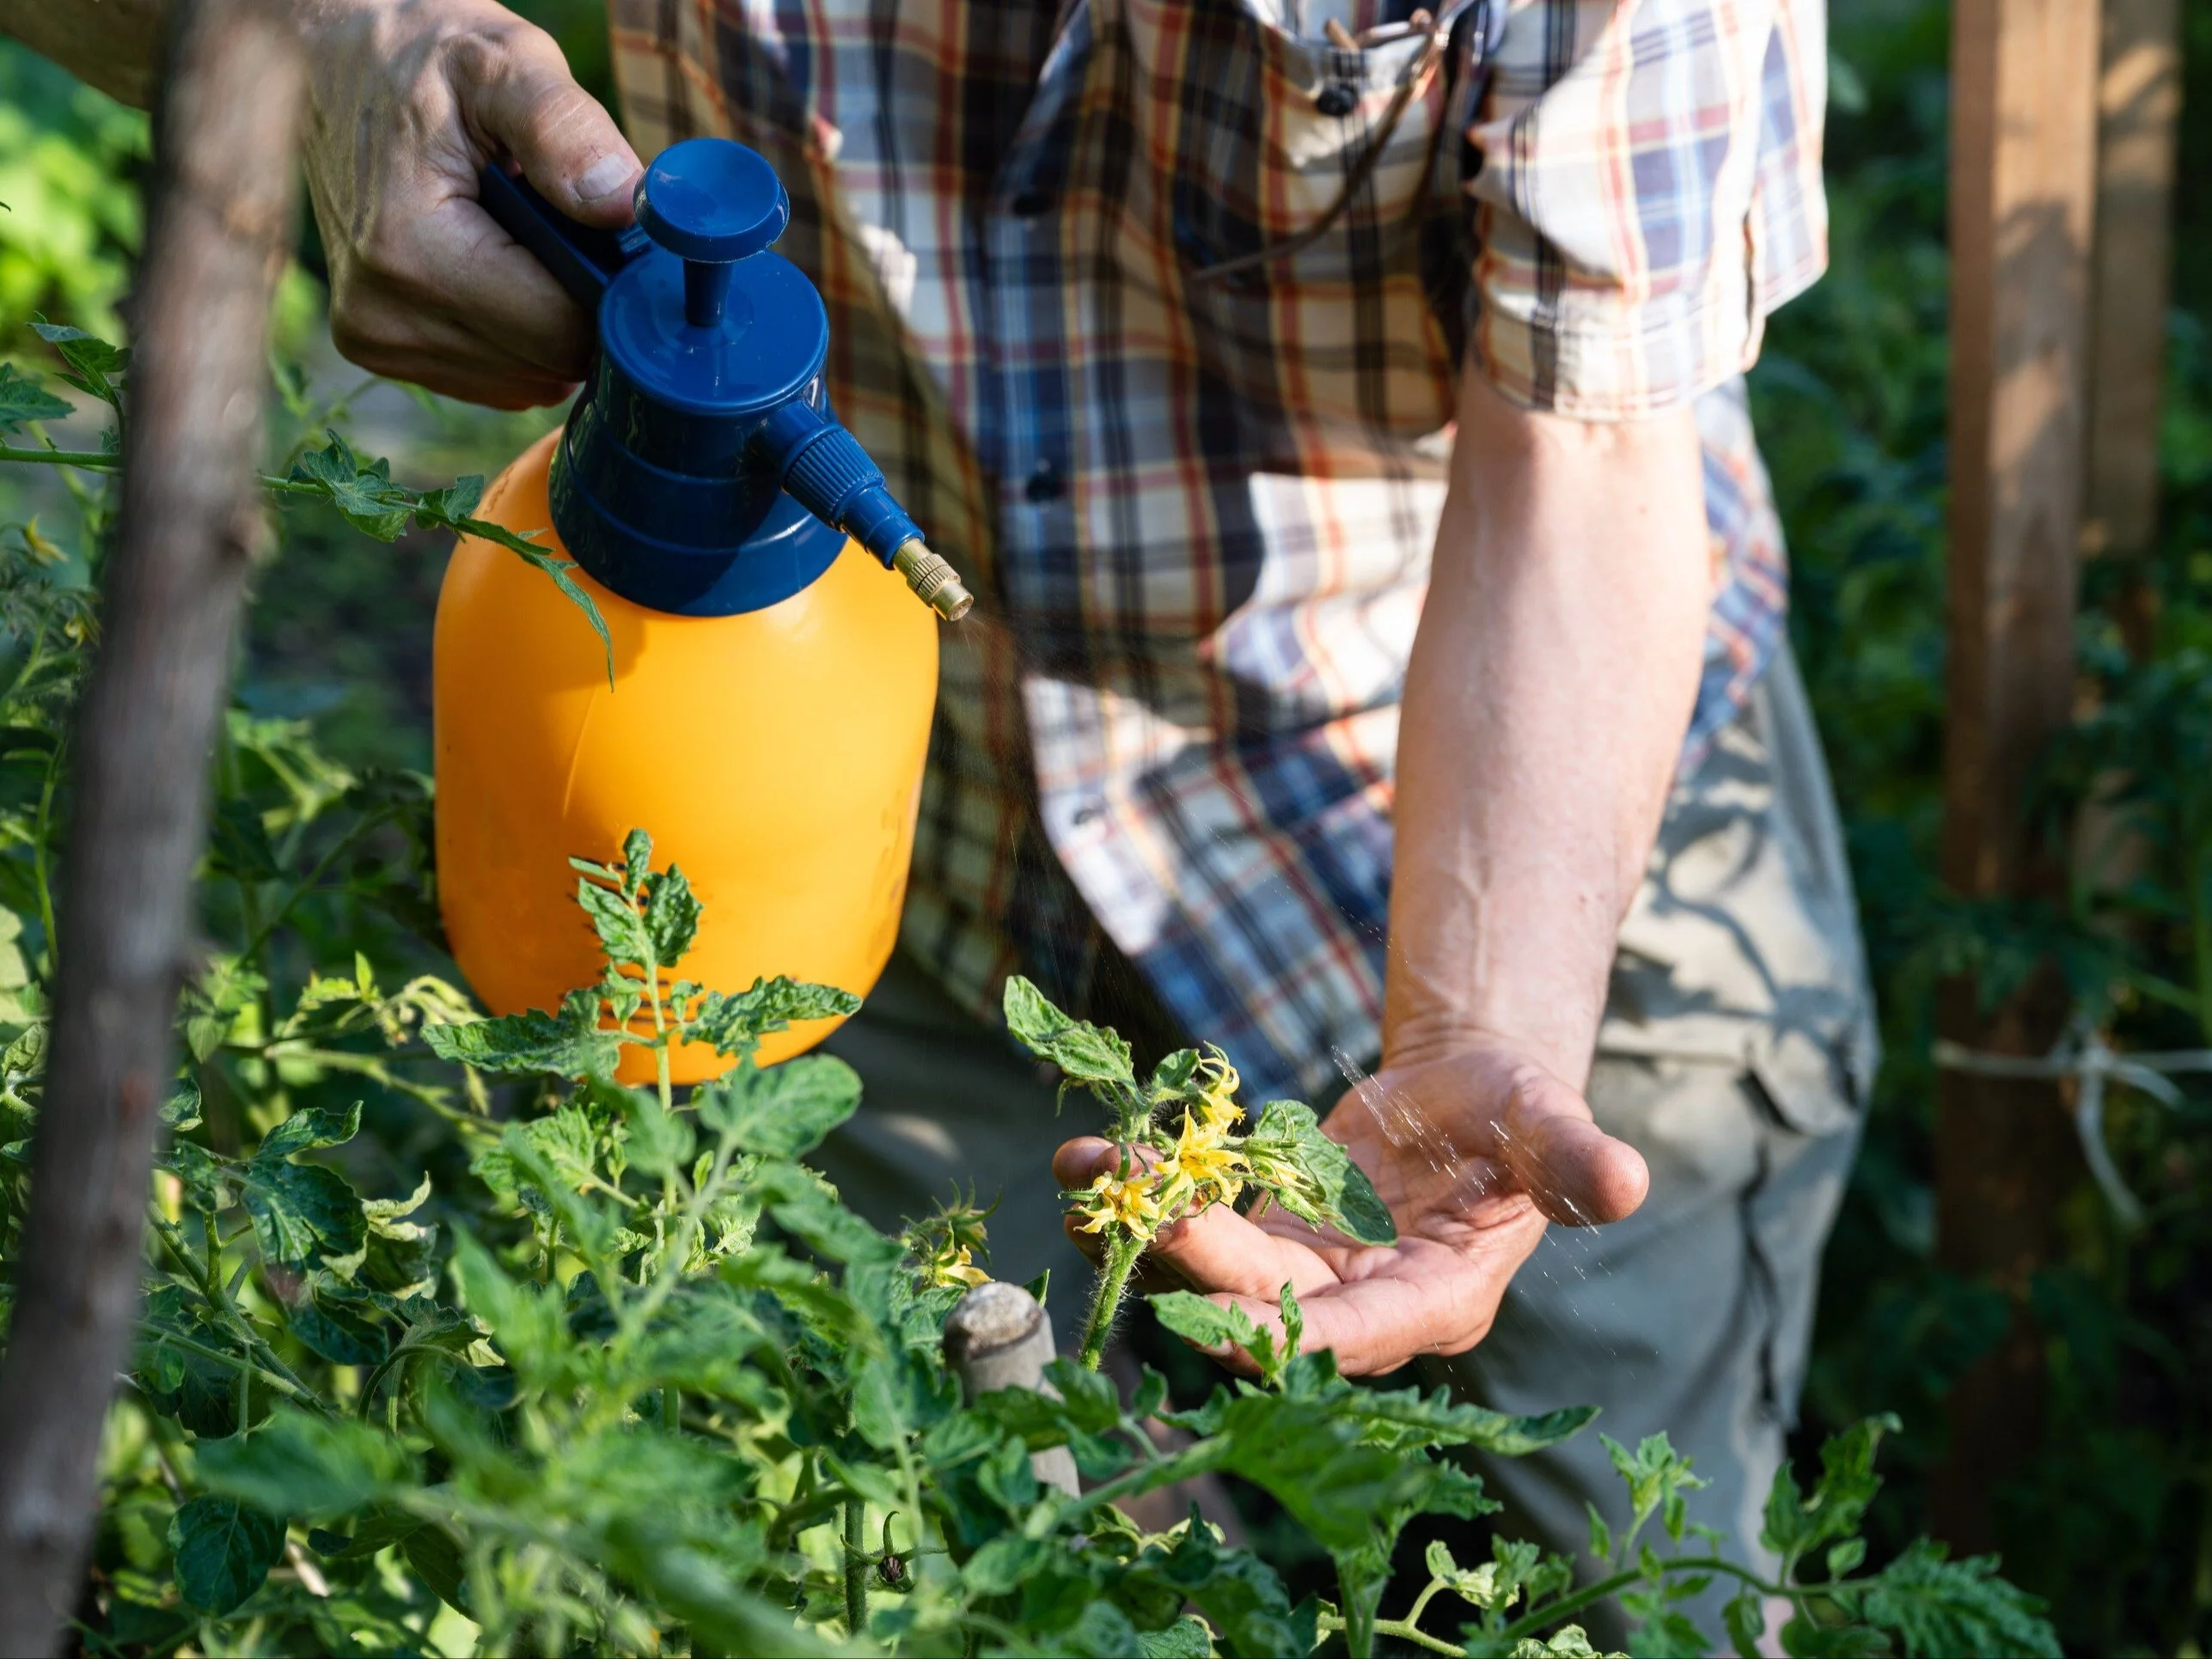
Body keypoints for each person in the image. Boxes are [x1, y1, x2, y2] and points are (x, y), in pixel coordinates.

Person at [9, 0, 1874, 1638]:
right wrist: (333, 51)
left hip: (1475, 801)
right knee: (975, 1564)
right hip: (843, 846)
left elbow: (1586, 448)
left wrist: (1479, 1022)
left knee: (1647, 1572)